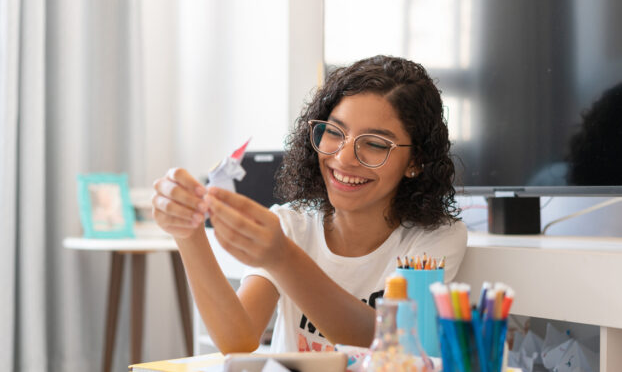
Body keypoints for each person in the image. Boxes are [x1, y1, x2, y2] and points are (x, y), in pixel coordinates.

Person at [152, 55, 467, 354]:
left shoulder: (433, 240)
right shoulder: (291, 224)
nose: (343, 158)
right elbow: (238, 338)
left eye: (374, 144)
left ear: (415, 161)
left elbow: (392, 343)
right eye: (334, 132)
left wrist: (283, 258)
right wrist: (187, 232)